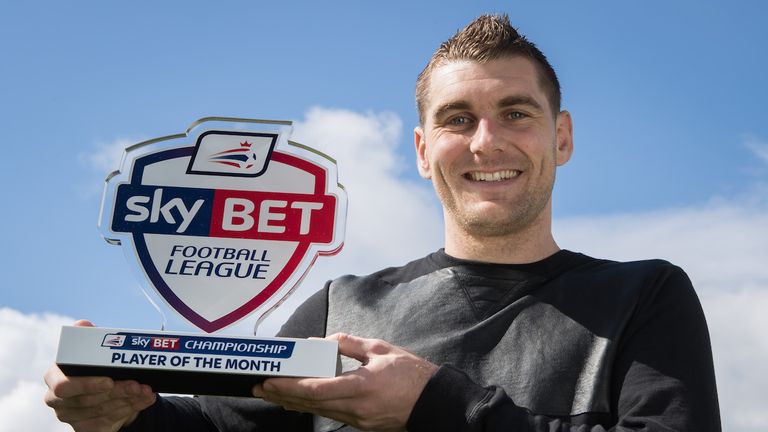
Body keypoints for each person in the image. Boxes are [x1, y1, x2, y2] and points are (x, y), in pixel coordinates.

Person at [45, 14, 721, 431]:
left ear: (562, 136)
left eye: (516, 114)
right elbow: (215, 428)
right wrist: (121, 416)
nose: (486, 142)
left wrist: (432, 405)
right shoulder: (342, 307)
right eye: (458, 120)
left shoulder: (645, 296)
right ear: (424, 151)